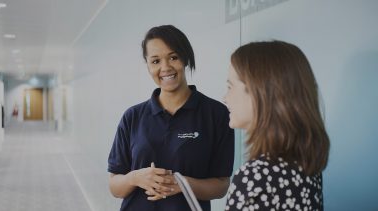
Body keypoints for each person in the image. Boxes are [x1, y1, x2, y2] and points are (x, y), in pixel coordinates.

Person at [107, 25, 234, 211]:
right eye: (156, 61)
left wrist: (182, 184)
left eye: (173, 57)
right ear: (148, 65)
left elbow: (221, 185)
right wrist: (135, 178)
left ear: (185, 58)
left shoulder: (216, 114)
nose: (165, 68)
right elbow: (115, 186)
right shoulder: (132, 116)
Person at [223, 41, 330, 211]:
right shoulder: (307, 168)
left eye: (230, 86)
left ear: (259, 91)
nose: (225, 97)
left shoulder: (254, 177)